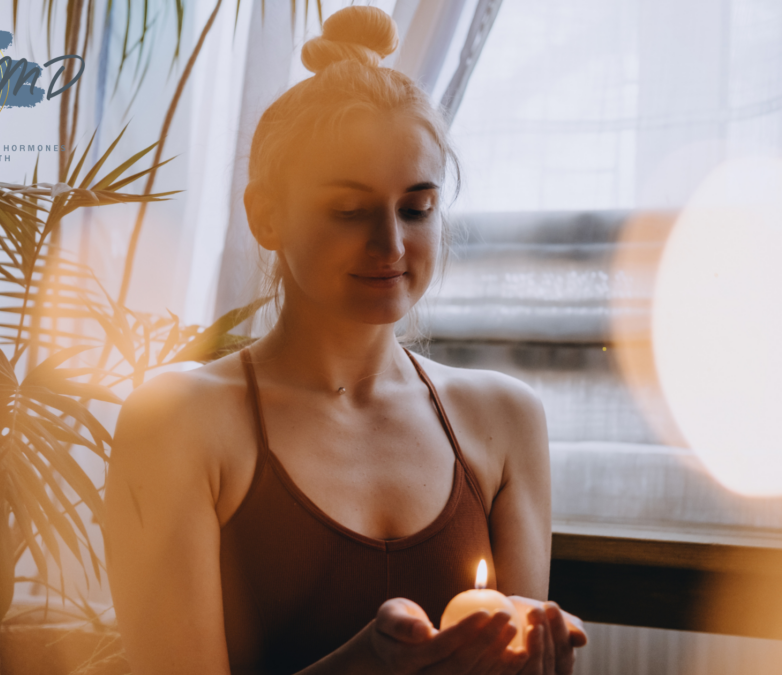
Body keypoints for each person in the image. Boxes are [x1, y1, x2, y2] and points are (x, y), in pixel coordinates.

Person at [104, 6, 587, 674]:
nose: (390, 244)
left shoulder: (506, 420)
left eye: (416, 209)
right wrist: (364, 665)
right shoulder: (178, 422)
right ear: (266, 215)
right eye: (349, 210)